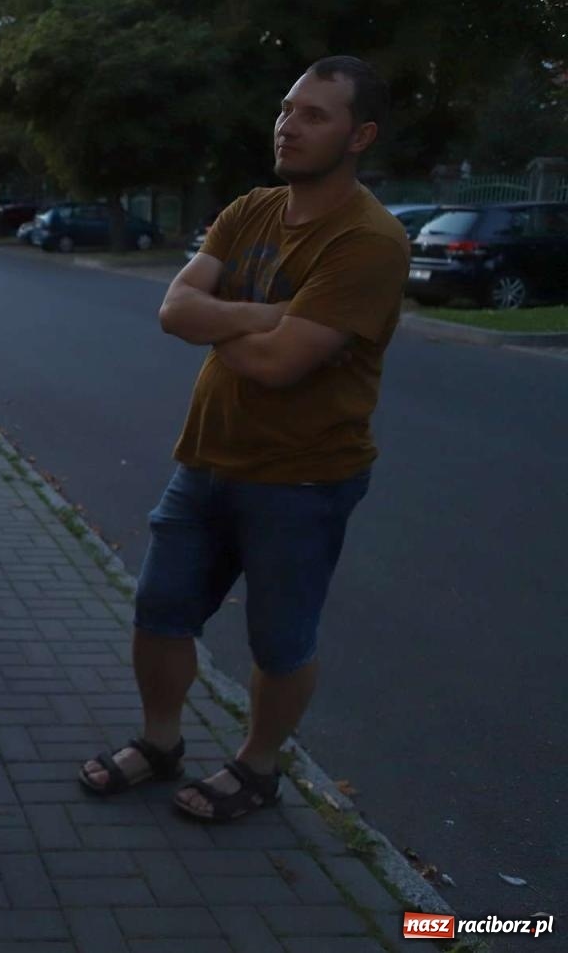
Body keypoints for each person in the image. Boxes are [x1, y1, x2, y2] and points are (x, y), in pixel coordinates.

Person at [78, 56, 410, 822]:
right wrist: (264, 313)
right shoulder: (250, 209)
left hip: (303, 477)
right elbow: (172, 309)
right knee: (160, 611)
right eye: (287, 108)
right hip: (205, 458)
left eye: (315, 115)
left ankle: (258, 767)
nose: (289, 125)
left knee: (279, 640)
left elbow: (280, 364)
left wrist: (218, 315)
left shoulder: (368, 242)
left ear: (360, 136)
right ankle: (161, 743)